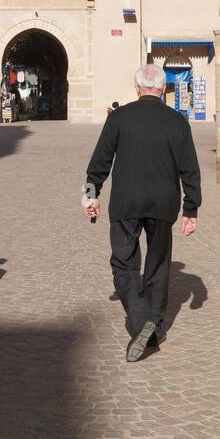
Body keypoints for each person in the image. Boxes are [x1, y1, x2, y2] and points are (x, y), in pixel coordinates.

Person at [82, 64, 201, 362]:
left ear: (137, 89)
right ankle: (155, 329)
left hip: (126, 204)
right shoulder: (177, 122)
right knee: (158, 266)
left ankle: (140, 320)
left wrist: (90, 196)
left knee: (123, 263)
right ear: (163, 90)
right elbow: (190, 170)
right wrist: (191, 209)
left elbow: (99, 162)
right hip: (164, 204)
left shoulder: (119, 118)